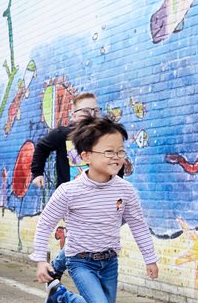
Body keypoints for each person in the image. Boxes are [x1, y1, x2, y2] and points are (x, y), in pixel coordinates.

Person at [32, 116, 158, 303]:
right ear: (86, 155)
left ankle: (60, 296)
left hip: (109, 262)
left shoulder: (125, 190)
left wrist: (151, 258)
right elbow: (45, 224)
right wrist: (41, 259)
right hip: (81, 262)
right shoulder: (69, 192)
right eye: (109, 151)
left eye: (120, 151)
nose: (116, 157)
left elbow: (137, 224)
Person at [31, 92, 132, 279]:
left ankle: (56, 268)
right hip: (73, 196)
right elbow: (42, 147)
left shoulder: (104, 136)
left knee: (86, 237)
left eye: (95, 110)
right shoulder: (63, 134)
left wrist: (118, 184)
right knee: (80, 236)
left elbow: (114, 161)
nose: (92, 114)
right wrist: (37, 173)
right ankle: (68, 270)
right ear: (74, 114)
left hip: (102, 193)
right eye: (86, 110)